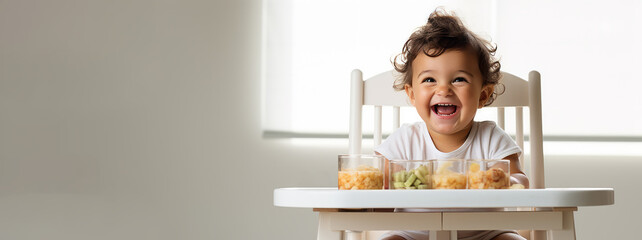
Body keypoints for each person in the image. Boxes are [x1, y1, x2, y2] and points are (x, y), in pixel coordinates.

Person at [376, 9, 530, 240]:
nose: (443, 89)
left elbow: (520, 182)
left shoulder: (491, 137)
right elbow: (378, 199)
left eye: (459, 79)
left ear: (483, 95)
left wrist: (502, 179)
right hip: (413, 233)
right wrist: (383, 189)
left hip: (487, 233)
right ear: (412, 94)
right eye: (429, 80)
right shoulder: (403, 142)